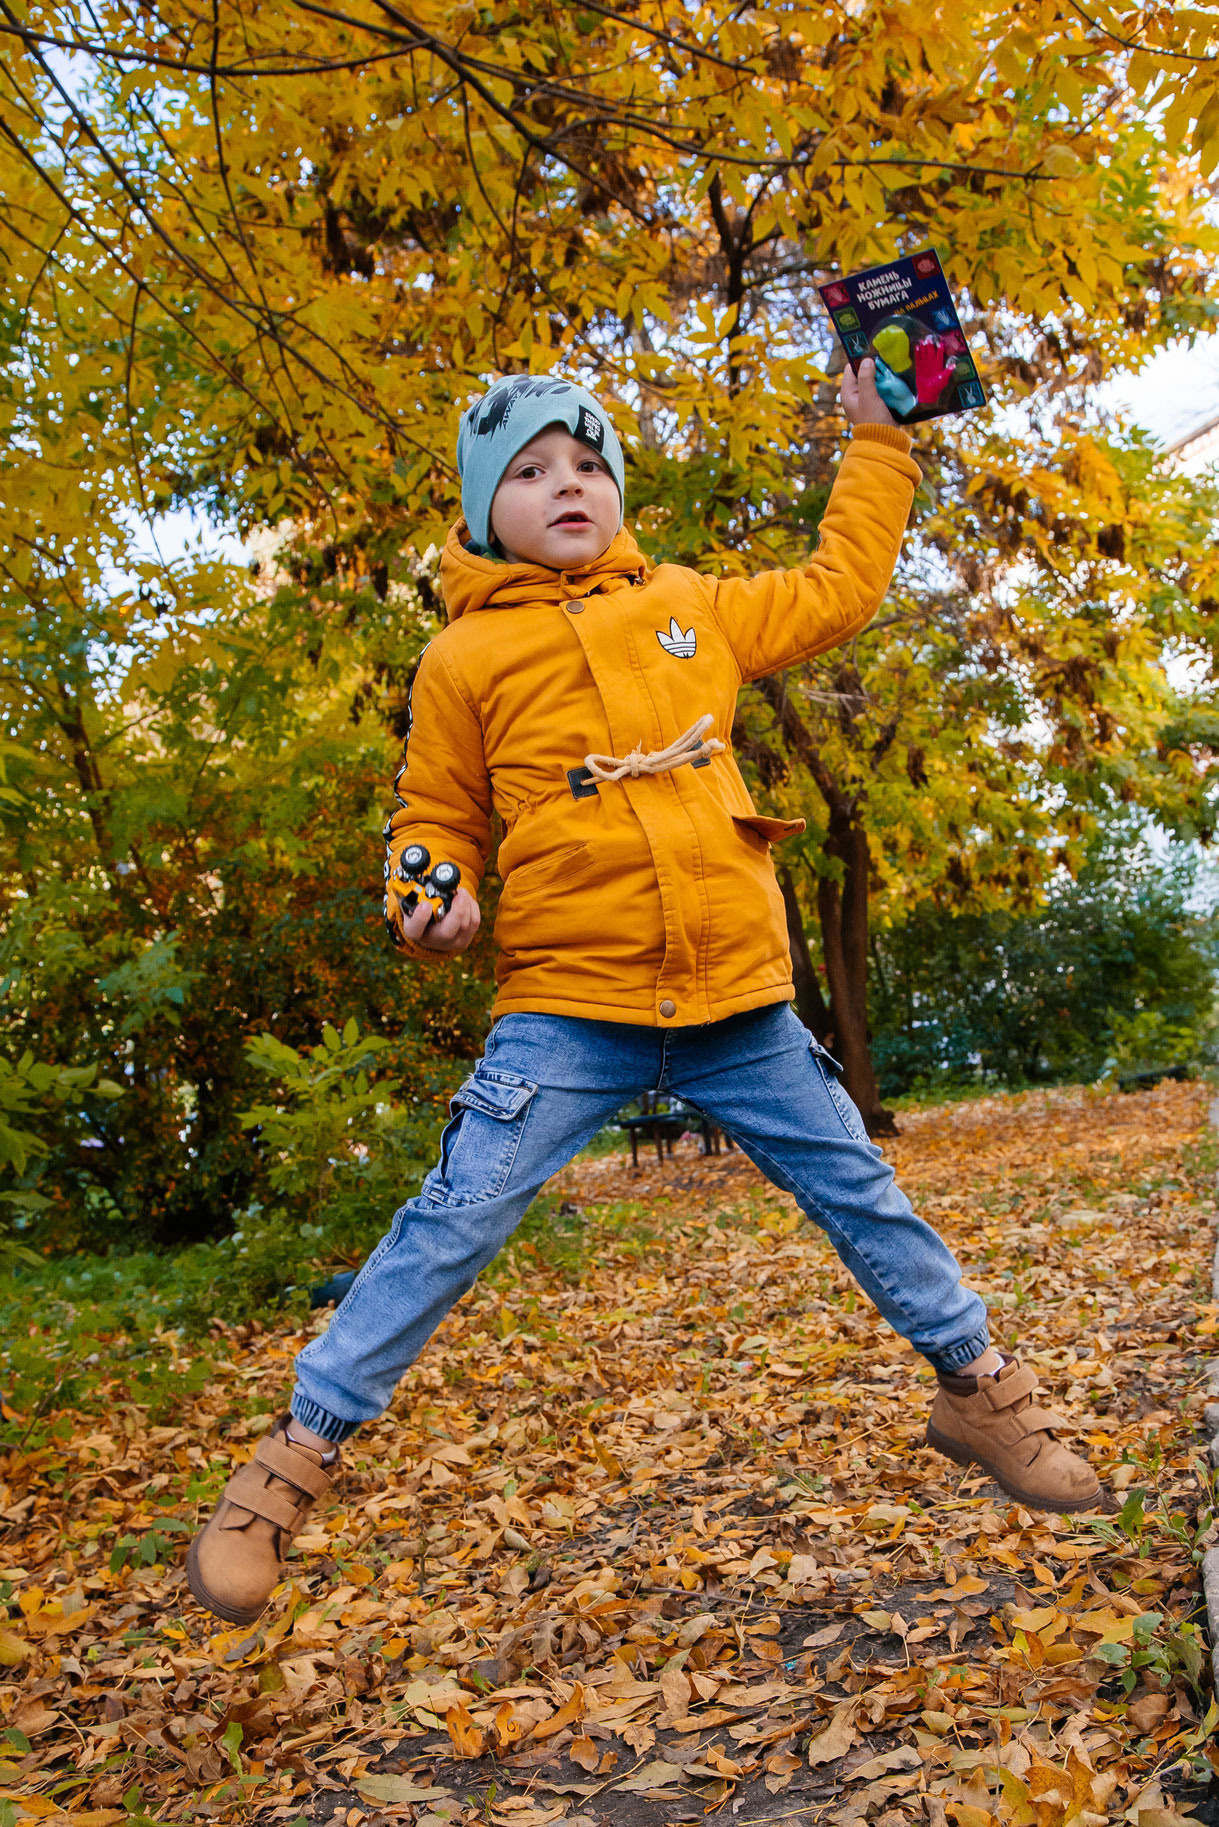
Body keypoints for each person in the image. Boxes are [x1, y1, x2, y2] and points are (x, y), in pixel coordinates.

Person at [186, 365, 1102, 1625]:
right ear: (476, 510)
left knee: (865, 1195)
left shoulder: (689, 603)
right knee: (451, 1220)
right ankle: (292, 1460)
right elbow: (434, 814)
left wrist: (879, 443)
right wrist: (428, 898)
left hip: (738, 999)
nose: (567, 485)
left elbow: (840, 588)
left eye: (587, 465)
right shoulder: (464, 655)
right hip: (567, 1002)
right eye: (528, 471)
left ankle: (980, 1392)